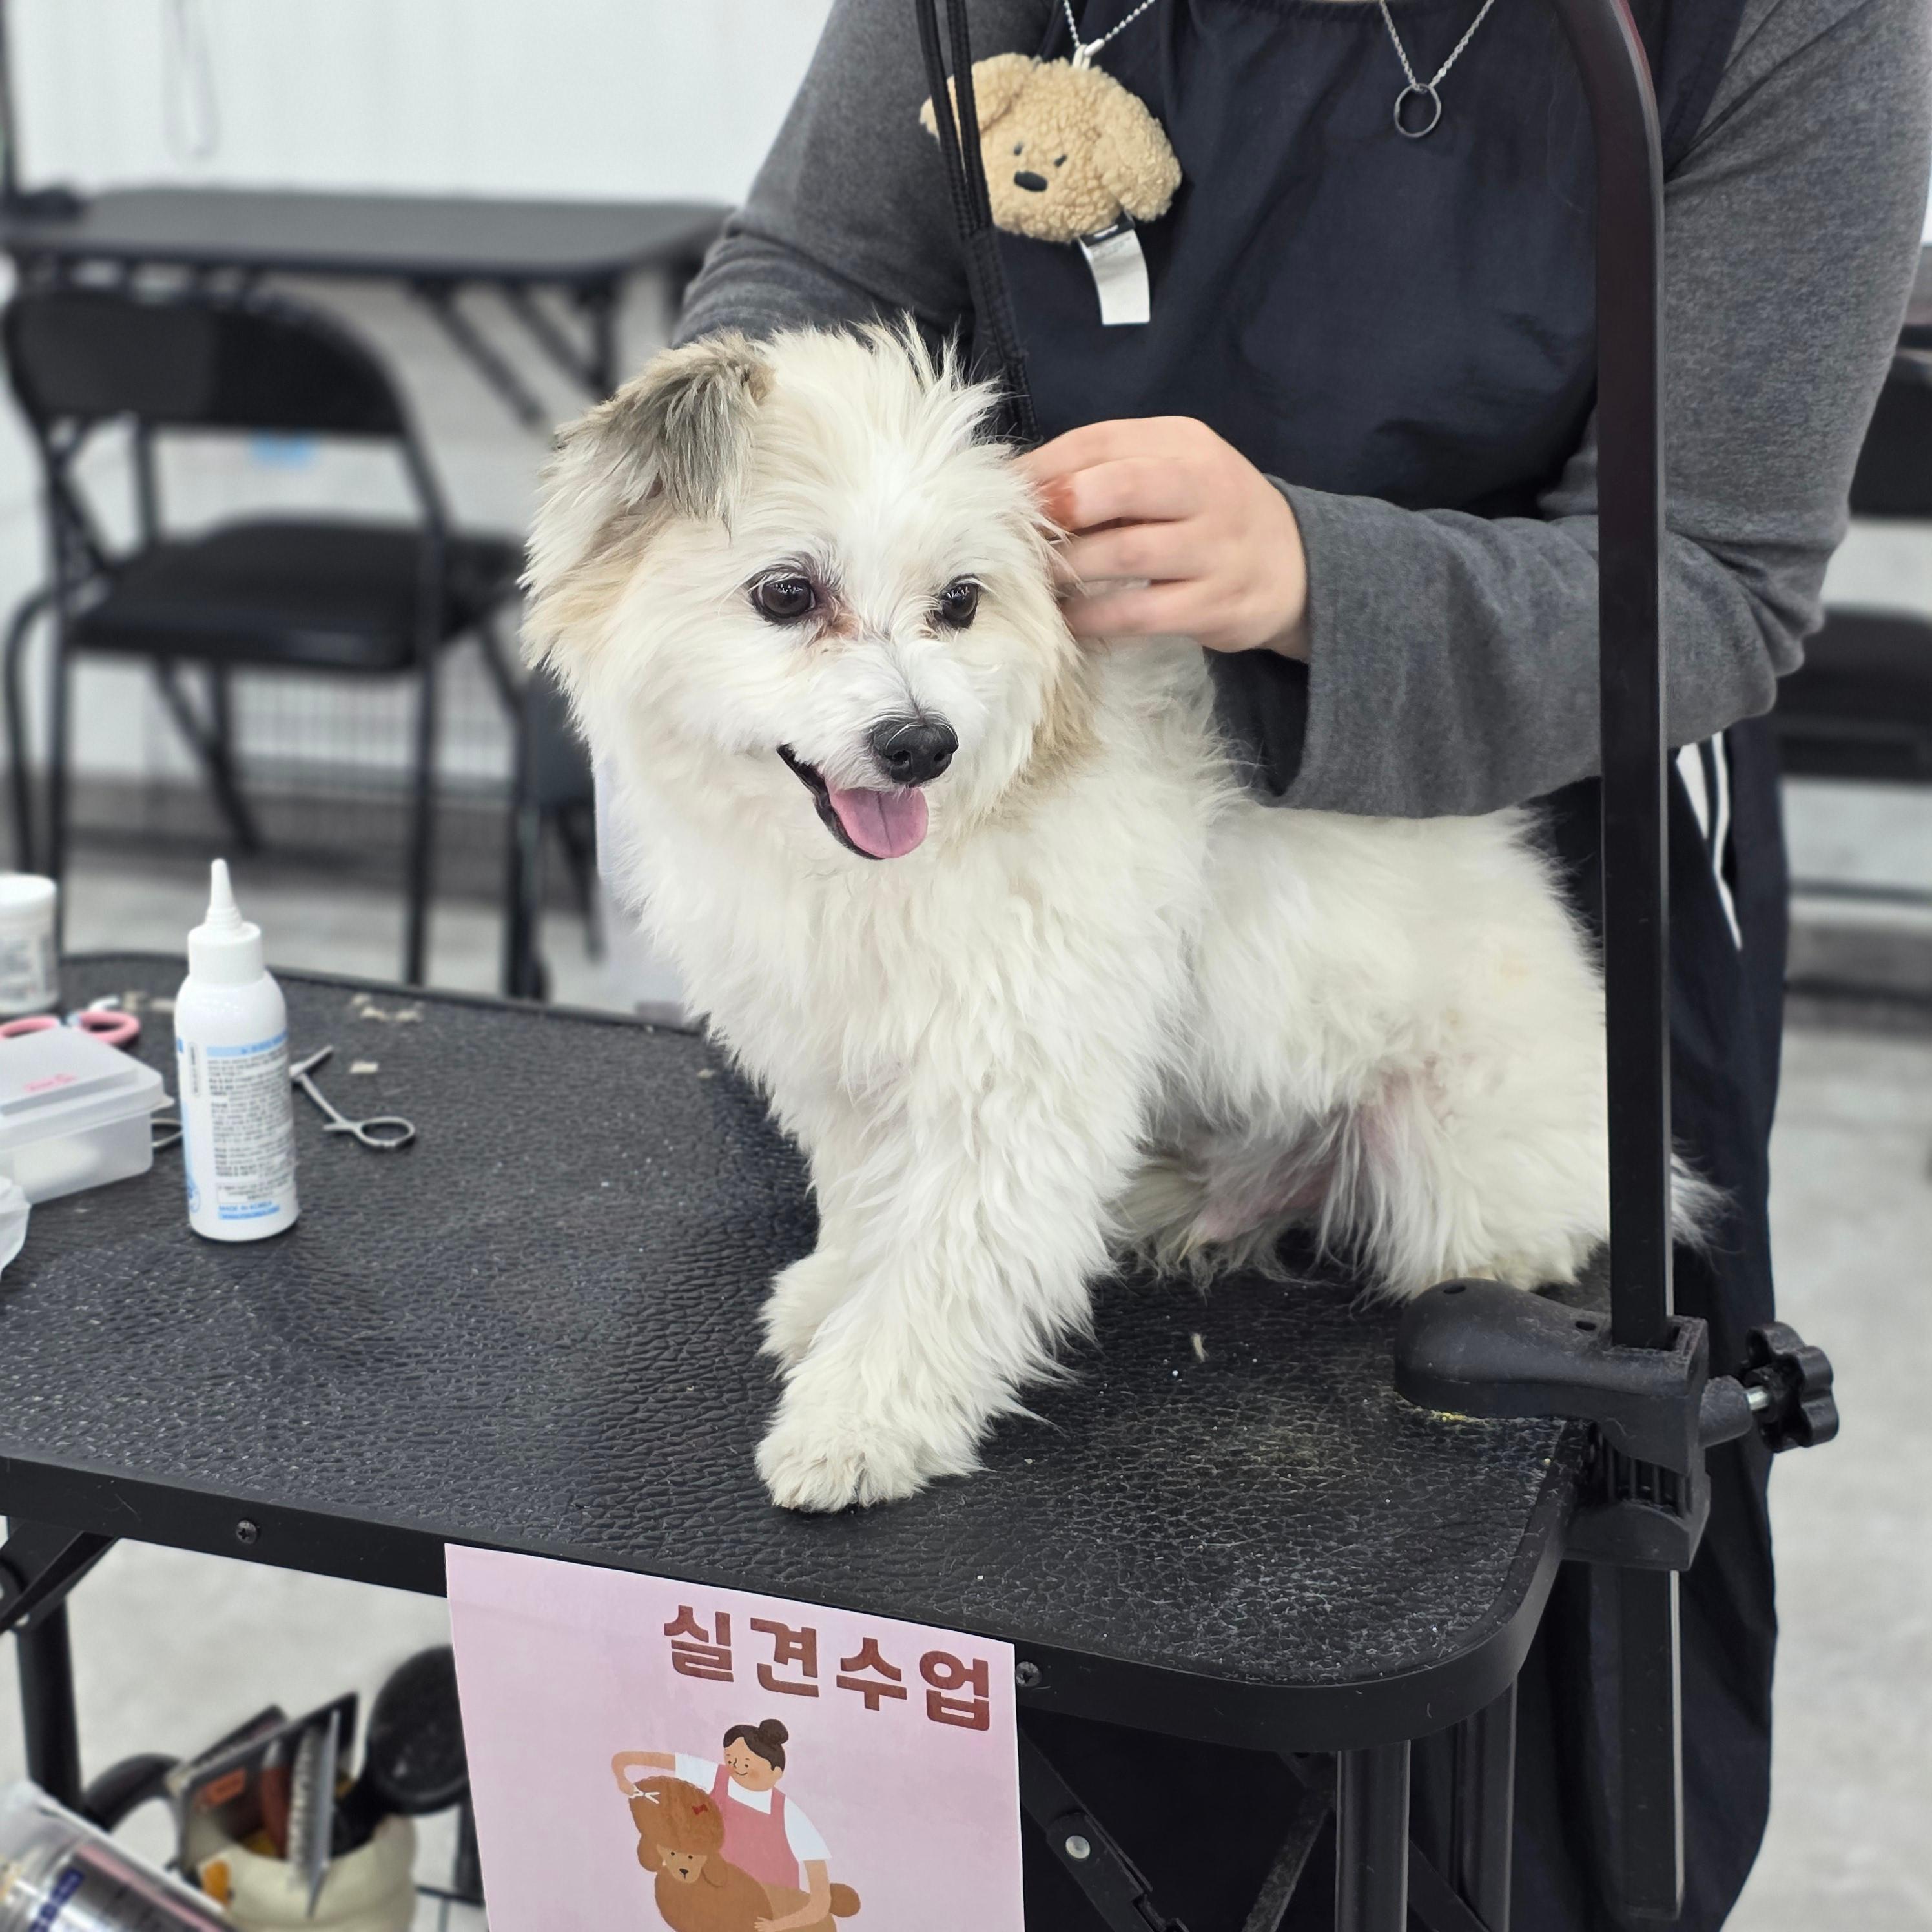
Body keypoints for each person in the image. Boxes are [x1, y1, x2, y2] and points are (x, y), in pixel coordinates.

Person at [667, 1, 1931, 1926]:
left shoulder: (1785, 26)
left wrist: (1313, 582)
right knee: (971, 1594)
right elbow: (791, 291)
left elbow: (1717, 575)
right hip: (995, 813)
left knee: (1498, 1668)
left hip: (1521, 859)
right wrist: (810, 541)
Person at [612, 1718, 834, 1932]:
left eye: (747, 1764)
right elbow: (655, 1760)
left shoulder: (790, 1815)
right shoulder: (717, 1777)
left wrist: (777, 1926)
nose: (737, 1768)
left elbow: (821, 1901)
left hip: (764, 1912)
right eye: (731, 1759)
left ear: (776, 1773)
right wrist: (622, 1774)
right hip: (711, 1902)